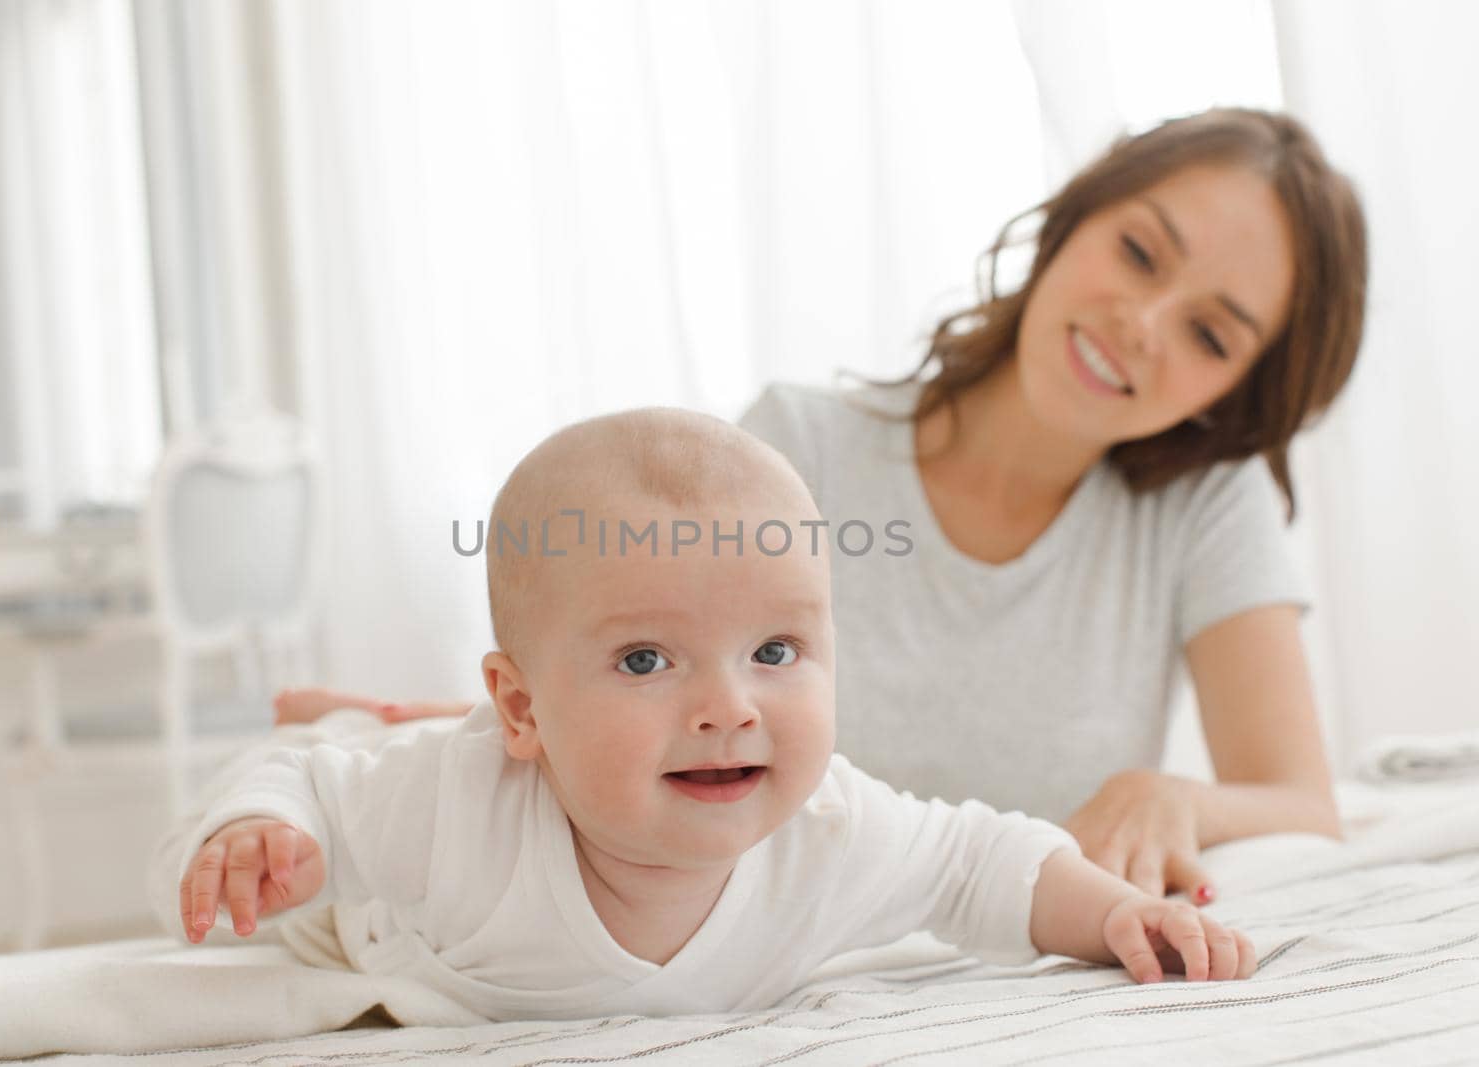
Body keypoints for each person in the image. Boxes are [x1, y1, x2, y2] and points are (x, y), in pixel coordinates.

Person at [274, 107, 1366, 909]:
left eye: (1211, 334)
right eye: (1137, 252)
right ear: (1071, 224)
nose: (1141, 322)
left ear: (1240, 389)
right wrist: (444, 735)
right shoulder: (798, 450)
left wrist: (1170, 795)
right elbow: (632, 697)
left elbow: (1301, 800)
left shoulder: (1204, 508)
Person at [165, 409, 1255, 1023]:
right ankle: (369, 717)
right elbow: (303, 788)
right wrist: (262, 829)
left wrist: (1117, 914)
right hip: (375, 911)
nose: (728, 708)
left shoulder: (826, 827)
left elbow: (981, 862)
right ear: (524, 706)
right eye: (646, 658)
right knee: (331, 761)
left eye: (775, 652)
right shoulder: (452, 808)